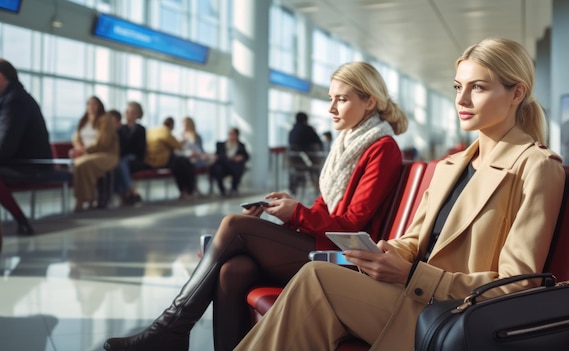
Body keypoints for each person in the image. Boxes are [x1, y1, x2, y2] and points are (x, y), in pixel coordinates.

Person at [233, 37, 566, 351]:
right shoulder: (450, 166)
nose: (461, 100)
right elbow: (415, 239)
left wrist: (411, 275)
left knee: (316, 280)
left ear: (516, 93)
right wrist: (386, 253)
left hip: (454, 315)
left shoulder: (536, 167)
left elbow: (518, 284)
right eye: (457, 87)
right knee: (310, 288)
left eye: (478, 87)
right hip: (413, 297)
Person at [103, 61, 410, 351]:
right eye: (330, 99)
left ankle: (170, 329)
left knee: (234, 226)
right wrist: (293, 208)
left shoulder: (382, 149)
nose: (331, 108)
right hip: (328, 242)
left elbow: (351, 223)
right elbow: (328, 205)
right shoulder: (348, 142)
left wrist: (298, 214)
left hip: (346, 256)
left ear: (369, 102)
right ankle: (182, 335)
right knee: (233, 270)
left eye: (341, 99)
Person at [0, 59, 58, 233]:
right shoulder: (10, 98)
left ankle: (22, 221)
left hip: (30, 166)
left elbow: (5, 146)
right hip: (19, 162)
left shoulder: (15, 101)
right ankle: (21, 221)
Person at [70, 96, 119, 212]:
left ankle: (81, 200)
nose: (91, 107)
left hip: (106, 154)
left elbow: (103, 141)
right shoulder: (84, 120)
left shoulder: (105, 119)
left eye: (94, 104)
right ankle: (88, 199)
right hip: (87, 155)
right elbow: (76, 137)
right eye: (88, 104)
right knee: (80, 164)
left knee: (83, 164)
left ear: (99, 106)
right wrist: (78, 147)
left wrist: (84, 150)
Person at [145, 117, 196, 200]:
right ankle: (189, 190)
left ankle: (188, 190)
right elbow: (178, 146)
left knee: (181, 162)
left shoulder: (153, 130)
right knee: (182, 163)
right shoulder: (166, 132)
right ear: (172, 126)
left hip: (149, 160)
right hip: (161, 161)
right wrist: (183, 141)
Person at [287, 111, 324, 194]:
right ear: (306, 120)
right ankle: (318, 187)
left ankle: (294, 188)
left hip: (295, 164)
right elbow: (319, 143)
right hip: (309, 162)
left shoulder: (292, 131)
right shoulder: (308, 129)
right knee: (316, 169)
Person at [210, 127, 249, 196]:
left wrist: (241, 157)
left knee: (239, 167)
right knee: (218, 168)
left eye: (233, 134)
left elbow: (246, 156)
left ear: (237, 135)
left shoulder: (241, 145)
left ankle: (234, 188)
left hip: (234, 166)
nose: (231, 136)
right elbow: (218, 156)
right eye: (229, 134)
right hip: (223, 165)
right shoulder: (220, 145)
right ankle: (222, 190)